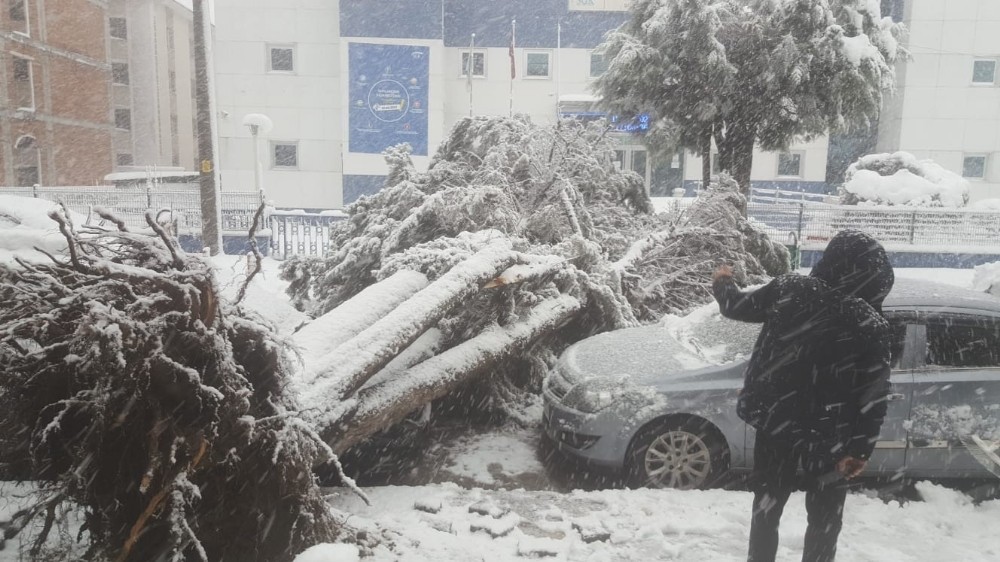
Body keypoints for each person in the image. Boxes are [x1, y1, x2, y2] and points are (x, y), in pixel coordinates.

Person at [711, 230, 895, 562]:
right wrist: (859, 449)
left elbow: (735, 306)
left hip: (776, 422)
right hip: (831, 436)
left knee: (767, 505)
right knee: (825, 517)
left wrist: (723, 281)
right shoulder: (871, 323)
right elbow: (874, 395)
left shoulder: (790, 290)